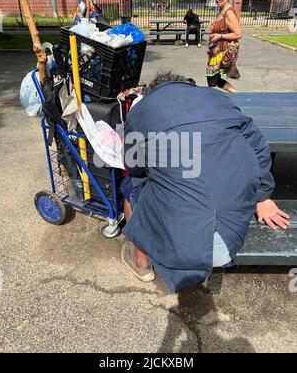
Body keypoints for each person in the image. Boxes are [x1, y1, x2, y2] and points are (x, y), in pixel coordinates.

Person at [120, 71, 290, 293]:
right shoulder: (218, 98)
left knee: (129, 186)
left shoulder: (140, 111)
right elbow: (258, 145)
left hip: (184, 249)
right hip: (230, 238)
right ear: (188, 86)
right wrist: (263, 195)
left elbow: (134, 167)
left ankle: (142, 264)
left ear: (152, 92)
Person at [206, 0, 241, 93]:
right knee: (212, 80)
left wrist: (219, 36)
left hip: (223, 51)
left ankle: (235, 95)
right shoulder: (222, 10)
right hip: (216, 51)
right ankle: (235, 94)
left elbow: (238, 34)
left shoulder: (229, 12)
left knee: (212, 79)